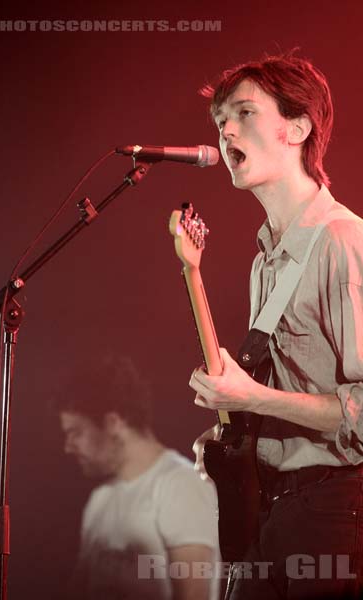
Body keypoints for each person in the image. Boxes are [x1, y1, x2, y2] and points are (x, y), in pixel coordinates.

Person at [189, 53, 363, 599]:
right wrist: (231, 434)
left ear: (298, 127)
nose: (225, 130)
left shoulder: (342, 241)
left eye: (244, 112)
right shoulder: (265, 260)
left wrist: (256, 399)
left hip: (333, 508)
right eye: (220, 120)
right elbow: (279, 393)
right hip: (272, 508)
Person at [56, 356, 220, 600]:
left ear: (113, 422)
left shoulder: (181, 485)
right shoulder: (99, 500)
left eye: (76, 432)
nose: (68, 447)